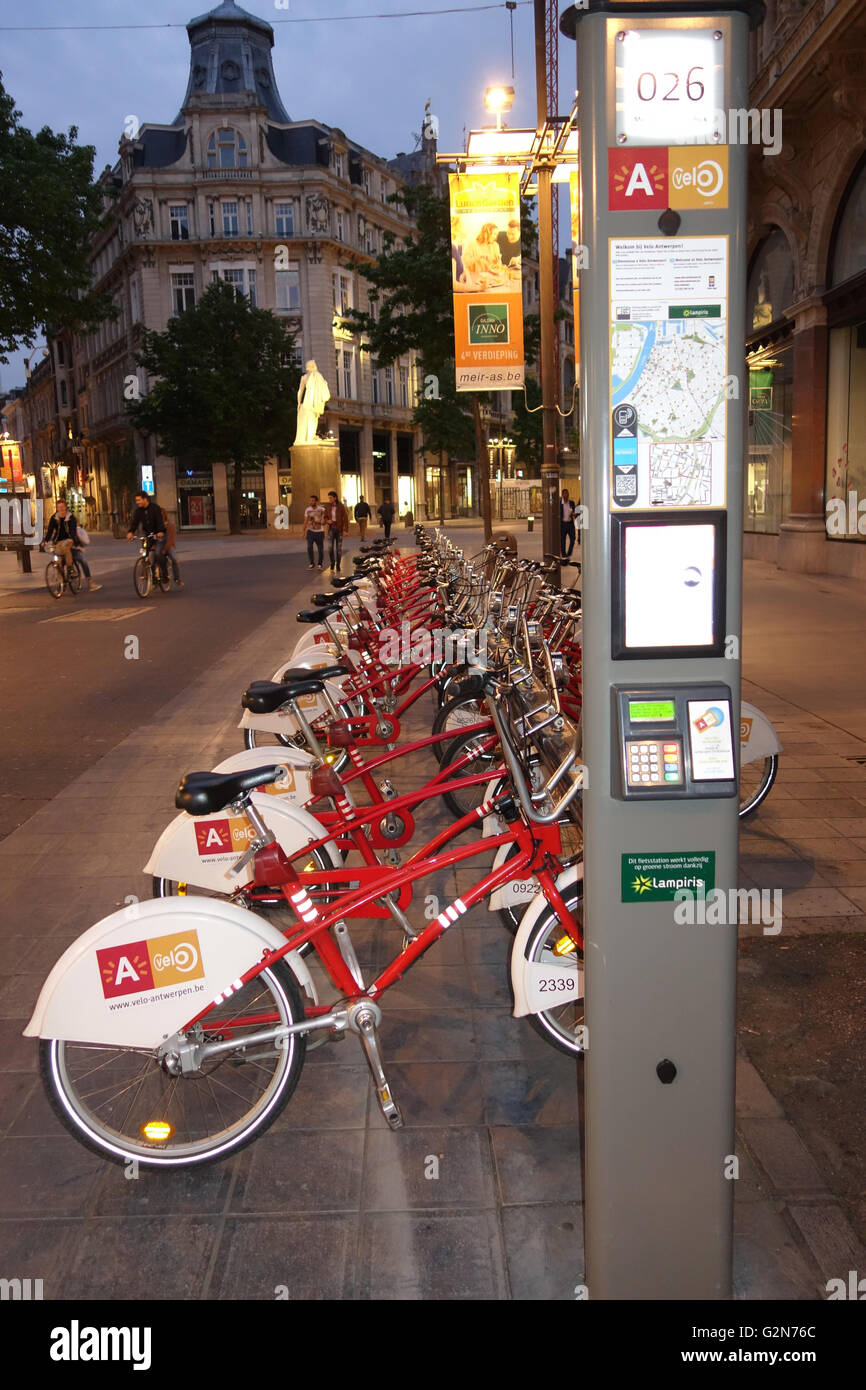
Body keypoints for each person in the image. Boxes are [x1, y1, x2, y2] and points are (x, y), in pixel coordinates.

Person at [40, 496, 102, 591]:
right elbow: (50, 531)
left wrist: (71, 539)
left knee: (82, 560)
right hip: (58, 543)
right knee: (58, 563)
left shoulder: (71, 517)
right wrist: (45, 541)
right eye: (59, 507)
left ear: (65, 507)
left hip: (71, 542)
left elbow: (73, 531)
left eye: (62, 507)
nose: (60, 509)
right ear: (56, 508)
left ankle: (87, 580)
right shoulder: (54, 518)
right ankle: (62, 585)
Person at [127, 491, 167, 581]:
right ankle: (152, 577)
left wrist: (160, 531)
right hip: (148, 536)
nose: (137, 502)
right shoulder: (138, 511)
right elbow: (135, 523)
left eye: (139, 500)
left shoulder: (155, 508)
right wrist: (131, 532)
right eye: (136, 501)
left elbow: (160, 521)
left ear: (145, 499)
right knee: (147, 554)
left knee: (157, 553)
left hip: (159, 535)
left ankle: (165, 573)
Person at [293, 360, 331, 446]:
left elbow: (300, 391)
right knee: (313, 419)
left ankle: (309, 437)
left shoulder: (304, 377)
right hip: (315, 402)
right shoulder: (318, 376)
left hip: (307, 401)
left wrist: (299, 403)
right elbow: (324, 389)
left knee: (310, 419)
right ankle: (310, 437)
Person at [462, 222, 504, 290]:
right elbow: (464, 263)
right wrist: (478, 257)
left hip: (492, 281)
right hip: (476, 282)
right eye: (494, 234)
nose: (495, 237)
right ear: (486, 234)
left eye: (496, 234)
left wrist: (498, 261)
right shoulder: (473, 245)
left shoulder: (495, 245)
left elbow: (498, 268)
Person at [325, 490, 349, 574]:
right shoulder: (327, 506)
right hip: (331, 529)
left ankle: (338, 564)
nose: (329, 499)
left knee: (338, 549)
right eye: (329, 498)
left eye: (330, 498)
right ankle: (332, 562)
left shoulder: (341, 506)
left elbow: (346, 518)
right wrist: (327, 521)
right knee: (330, 548)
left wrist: (346, 530)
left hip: (339, 530)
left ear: (335, 498)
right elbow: (324, 517)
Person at [160, 505, 183, 587]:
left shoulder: (170, 525)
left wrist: (165, 549)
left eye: (161, 514)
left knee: (174, 558)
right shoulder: (156, 526)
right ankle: (154, 580)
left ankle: (177, 579)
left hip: (169, 546)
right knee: (152, 557)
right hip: (158, 546)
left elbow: (171, 540)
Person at [303, 494, 325, 569]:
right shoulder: (307, 510)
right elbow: (305, 520)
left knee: (320, 549)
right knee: (309, 547)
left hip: (319, 532)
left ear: (316, 501)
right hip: (310, 531)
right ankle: (312, 563)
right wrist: (303, 531)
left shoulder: (321, 509)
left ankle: (320, 564)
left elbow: (325, 518)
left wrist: (323, 521)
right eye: (310, 500)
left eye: (313, 500)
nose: (311, 502)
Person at [560, 488, 576, 563]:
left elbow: (575, 513)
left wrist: (573, 514)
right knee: (562, 541)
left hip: (570, 524)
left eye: (567, 493)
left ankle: (568, 554)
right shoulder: (560, 503)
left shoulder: (571, 503)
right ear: (562, 495)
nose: (566, 495)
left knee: (573, 539)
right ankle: (564, 556)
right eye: (565, 494)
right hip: (563, 524)